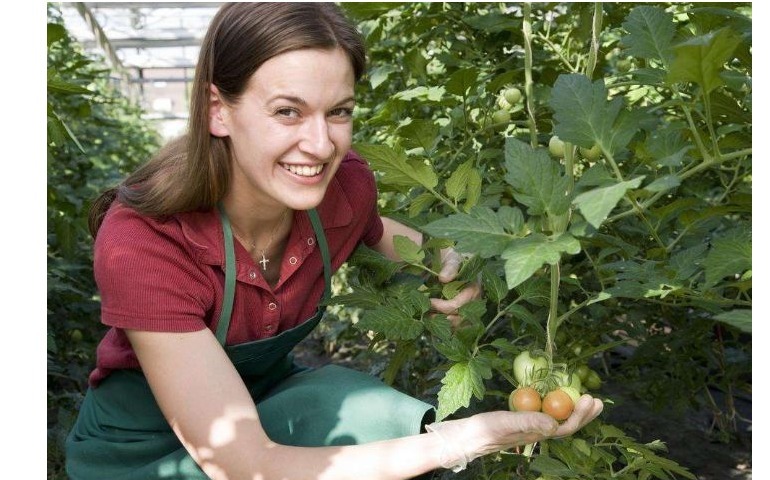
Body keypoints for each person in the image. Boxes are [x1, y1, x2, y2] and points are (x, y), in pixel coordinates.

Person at [65, 3, 603, 479]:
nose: (321, 145)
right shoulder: (145, 243)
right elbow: (244, 466)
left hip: (267, 405)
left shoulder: (341, 188)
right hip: (151, 455)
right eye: (287, 111)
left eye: (339, 111)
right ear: (217, 111)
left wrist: (449, 262)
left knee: (364, 411)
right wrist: (461, 440)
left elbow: (374, 228)